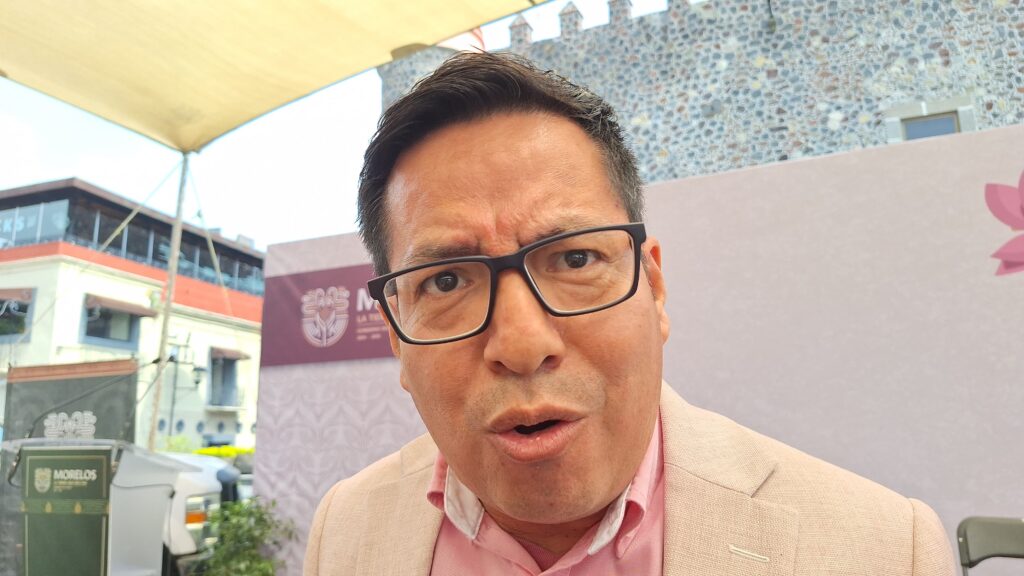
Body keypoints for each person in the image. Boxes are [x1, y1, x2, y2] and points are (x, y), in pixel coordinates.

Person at [304, 52, 955, 576]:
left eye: (576, 259)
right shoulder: (346, 530)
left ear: (655, 287)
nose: (522, 343)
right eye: (445, 281)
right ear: (396, 338)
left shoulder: (882, 550)